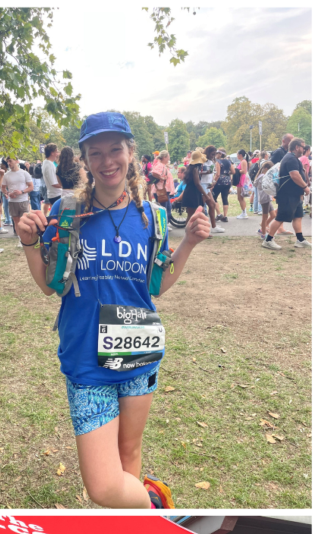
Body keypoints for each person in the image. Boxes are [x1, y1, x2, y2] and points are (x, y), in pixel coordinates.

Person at [17, 112, 210, 510]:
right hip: (86, 359)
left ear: (130, 153)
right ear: (85, 160)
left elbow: (156, 285)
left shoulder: (152, 217)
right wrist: (29, 245)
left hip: (138, 350)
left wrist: (188, 244)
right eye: (96, 153)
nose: (108, 161)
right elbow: (50, 286)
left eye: (115, 150)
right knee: (104, 487)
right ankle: (156, 510)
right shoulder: (67, 215)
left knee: (129, 456)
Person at [263, 138, 312, 250]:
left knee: (298, 216)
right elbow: (294, 175)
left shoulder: (293, 158)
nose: (304, 149)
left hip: (294, 194)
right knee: (280, 217)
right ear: (297, 147)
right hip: (287, 195)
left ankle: (300, 239)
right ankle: (268, 240)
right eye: (303, 147)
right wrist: (305, 187)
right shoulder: (291, 159)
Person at [1, 157, 33, 247]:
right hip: (12, 201)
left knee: (25, 221)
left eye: (10, 161)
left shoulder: (24, 173)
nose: (9, 163)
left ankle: (27, 238)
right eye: (7, 162)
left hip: (23, 200)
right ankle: (20, 240)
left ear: (16, 161)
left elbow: (31, 187)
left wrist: (22, 192)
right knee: (16, 221)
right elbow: (3, 188)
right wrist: (7, 193)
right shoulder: (7, 175)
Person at [199, 147, 226, 235]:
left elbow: (213, 174)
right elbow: (197, 172)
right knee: (201, 207)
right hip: (202, 184)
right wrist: (205, 173)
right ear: (207, 153)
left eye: (214, 154)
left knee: (212, 204)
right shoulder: (202, 161)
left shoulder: (212, 161)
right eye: (212, 154)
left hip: (208, 185)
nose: (213, 156)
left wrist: (213, 182)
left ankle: (213, 227)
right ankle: (202, 228)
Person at [40, 143, 61, 215]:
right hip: (56, 194)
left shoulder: (47, 163)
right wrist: (65, 186)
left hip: (54, 194)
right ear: (52, 153)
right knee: (59, 217)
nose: (57, 153)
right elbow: (54, 183)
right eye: (56, 151)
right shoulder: (49, 165)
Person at [233, 150, 250, 219]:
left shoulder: (243, 161)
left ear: (240, 155)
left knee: (240, 197)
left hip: (241, 180)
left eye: (237, 154)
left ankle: (244, 213)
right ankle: (243, 212)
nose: (237, 156)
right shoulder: (242, 161)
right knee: (240, 197)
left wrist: (236, 170)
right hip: (241, 179)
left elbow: (244, 171)